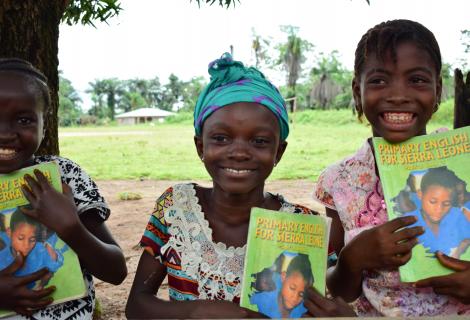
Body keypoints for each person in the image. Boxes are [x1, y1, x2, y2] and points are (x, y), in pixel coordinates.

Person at [126, 53, 355, 319]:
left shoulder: (303, 229)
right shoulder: (176, 208)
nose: (239, 152)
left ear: (278, 152)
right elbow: (137, 306)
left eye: (259, 141)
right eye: (221, 138)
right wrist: (196, 311)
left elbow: (322, 303)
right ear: (201, 146)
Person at [314, 19, 470, 316]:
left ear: (438, 90)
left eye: (417, 80)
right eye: (379, 81)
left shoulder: (465, 161)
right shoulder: (339, 182)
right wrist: (353, 258)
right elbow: (340, 289)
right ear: (357, 92)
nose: (398, 95)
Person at [0, 58, 127, 319]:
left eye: (23, 120)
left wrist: (71, 227)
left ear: (44, 125)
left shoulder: (65, 176)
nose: (5, 133)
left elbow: (116, 272)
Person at [402, 167, 470, 258]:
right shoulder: (407, 222)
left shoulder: (457, 215)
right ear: (420, 194)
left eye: (446, 203)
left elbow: (467, 238)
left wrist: (459, 251)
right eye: (433, 202)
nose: (439, 209)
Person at [0, 207, 63, 289]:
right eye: (20, 238)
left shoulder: (40, 248)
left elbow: (56, 263)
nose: (26, 245)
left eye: (32, 240)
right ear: (9, 232)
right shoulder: (1, 258)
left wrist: (41, 285)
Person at [250, 253, 313, 318]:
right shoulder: (259, 302)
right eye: (292, 288)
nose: (295, 298)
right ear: (283, 277)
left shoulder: (304, 312)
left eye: (301, 294)